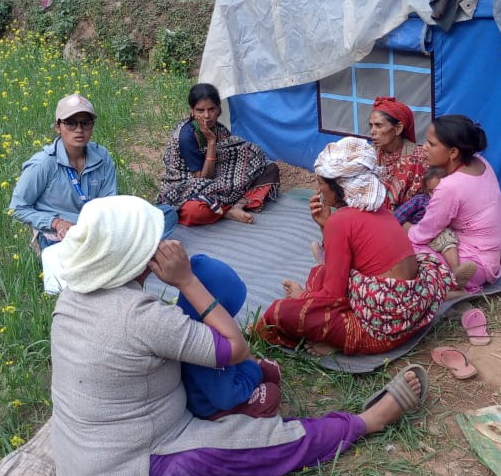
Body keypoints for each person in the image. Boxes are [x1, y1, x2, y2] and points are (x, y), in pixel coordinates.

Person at [47, 195, 429, 476]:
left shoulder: (71, 297)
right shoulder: (142, 318)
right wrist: (187, 280)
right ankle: (366, 422)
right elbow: (235, 347)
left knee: (234, 405)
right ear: (137, 255)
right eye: (154, 242)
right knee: (262, 440)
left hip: (78, 460)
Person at [253, 137, 450, 356]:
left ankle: (338, 340)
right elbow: (350, 259)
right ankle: (325, 321)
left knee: (278, 312)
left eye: (320, 183)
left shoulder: (341, 221)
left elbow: (333, 295)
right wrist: (325, 227)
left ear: (339, 186)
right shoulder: (379, 208)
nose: (317, 191)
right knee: (320, 272)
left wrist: (301, 299)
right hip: (412, 313)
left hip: (380, 332)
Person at [407, 114, 501, 293]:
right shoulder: (481, 162)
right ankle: (450, 285)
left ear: (453, 152)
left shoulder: (449, 187)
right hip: (490, 256)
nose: (424, 148)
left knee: (405, 248)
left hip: (473, 264)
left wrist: (407, 230)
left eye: (431, 144)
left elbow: (425, 232)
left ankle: (450, 286)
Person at [177, 253, 282, 420]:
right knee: (270, 395)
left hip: (220, 381)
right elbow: (226, 398)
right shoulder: (206, 346)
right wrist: (253, 369)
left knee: (268, 371)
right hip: (212, 408)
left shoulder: (189, 324)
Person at [9, 93, 118, 252]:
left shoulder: (102, 157)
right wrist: (55, 223)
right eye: (71, 124)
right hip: (56, 234)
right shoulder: (43, 164)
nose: (79, 130)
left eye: (85, 123)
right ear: (58, 127)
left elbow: (110, 202)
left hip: (95, 230)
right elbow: (18, 208)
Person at [157, 83, 279, 225]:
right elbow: (203, 179)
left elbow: (233, 157)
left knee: (270, 168)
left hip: (220, 183)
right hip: (189, 189)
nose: (206, 116)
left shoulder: (219, 129)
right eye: (200, 110)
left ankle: (237, 205)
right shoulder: (186, 136)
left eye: (211, 109)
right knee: (194, 211)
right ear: (192, 111)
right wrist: (211, 143)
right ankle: (226, 211)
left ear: (219, 109)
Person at [368, 96, 428, 210]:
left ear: (398, 128)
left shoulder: (419, 159)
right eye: (371, 125)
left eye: (378, 125)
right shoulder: (369, 155)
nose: (372, 132)